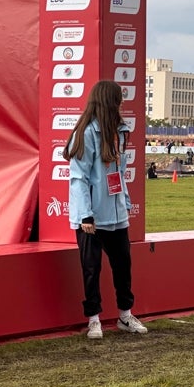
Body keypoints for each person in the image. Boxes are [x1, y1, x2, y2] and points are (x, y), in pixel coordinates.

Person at [63, 80, 148, 339]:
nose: (122, 103)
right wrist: (86, 214)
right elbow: (79, 177)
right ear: (108, 101)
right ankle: (94, 318)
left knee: (123, 265)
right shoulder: (86, 132)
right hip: (90, 218)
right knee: (92, 268)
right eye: (118, 99)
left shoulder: (120, 131)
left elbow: (120, 173)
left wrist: (125, 201)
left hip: (116, 215)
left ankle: (125, 314)